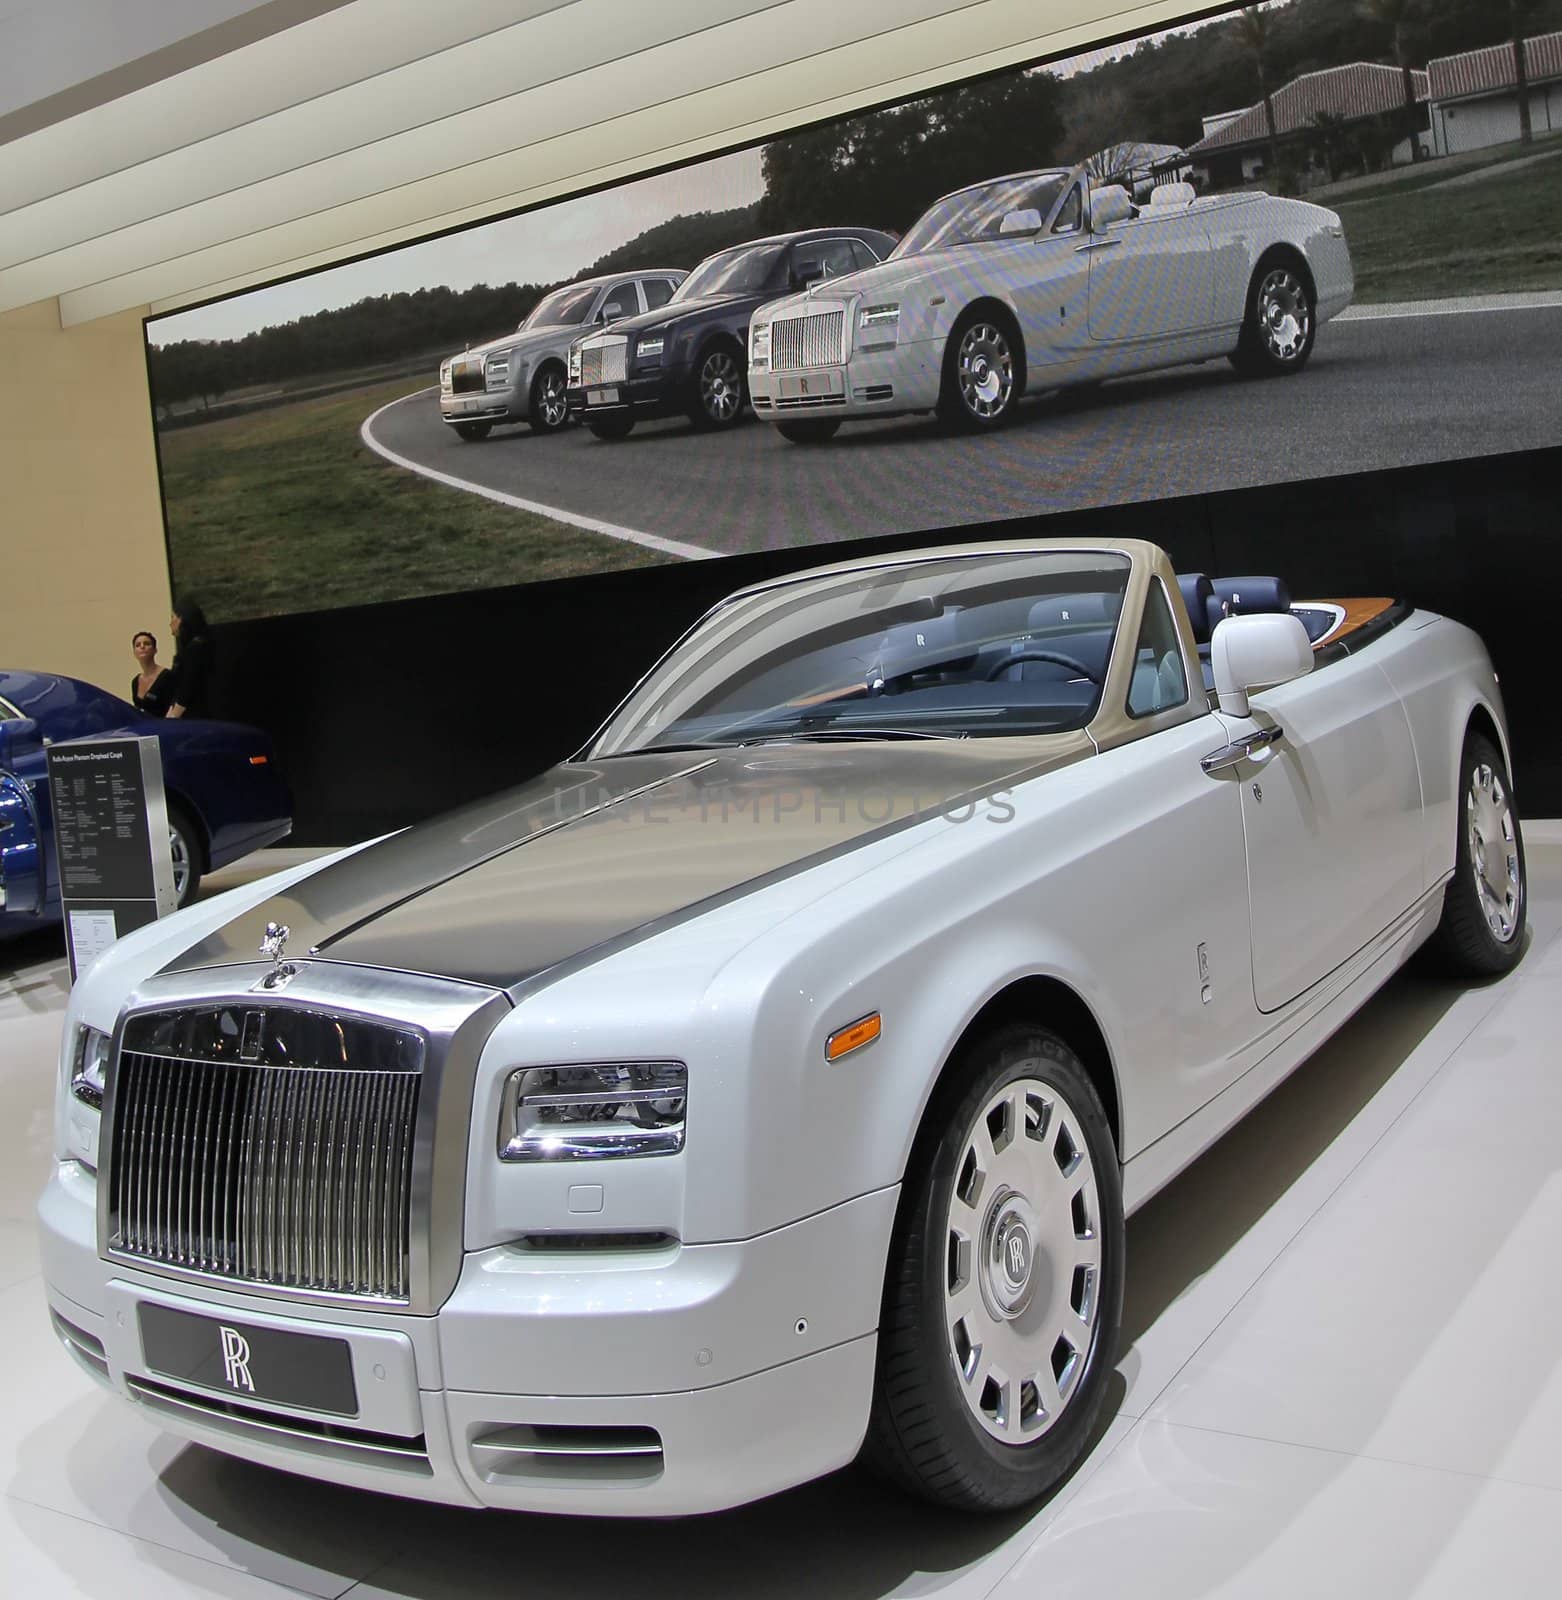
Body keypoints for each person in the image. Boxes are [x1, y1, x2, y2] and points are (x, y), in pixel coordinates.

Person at [166, 598, 214, 719]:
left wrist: (173, 718)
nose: (170, 623)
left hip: (195, 716)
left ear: (182, 619)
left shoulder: (196, 648)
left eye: (173, 617)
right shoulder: (193, 647)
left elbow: (187, 687)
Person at [130, 630, 174, 716]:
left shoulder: (167, 676)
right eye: (138, 645)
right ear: (134, 653)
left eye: (146, 644)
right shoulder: (135, 681)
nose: (142, 646)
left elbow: (172, 708)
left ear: (155, 650)